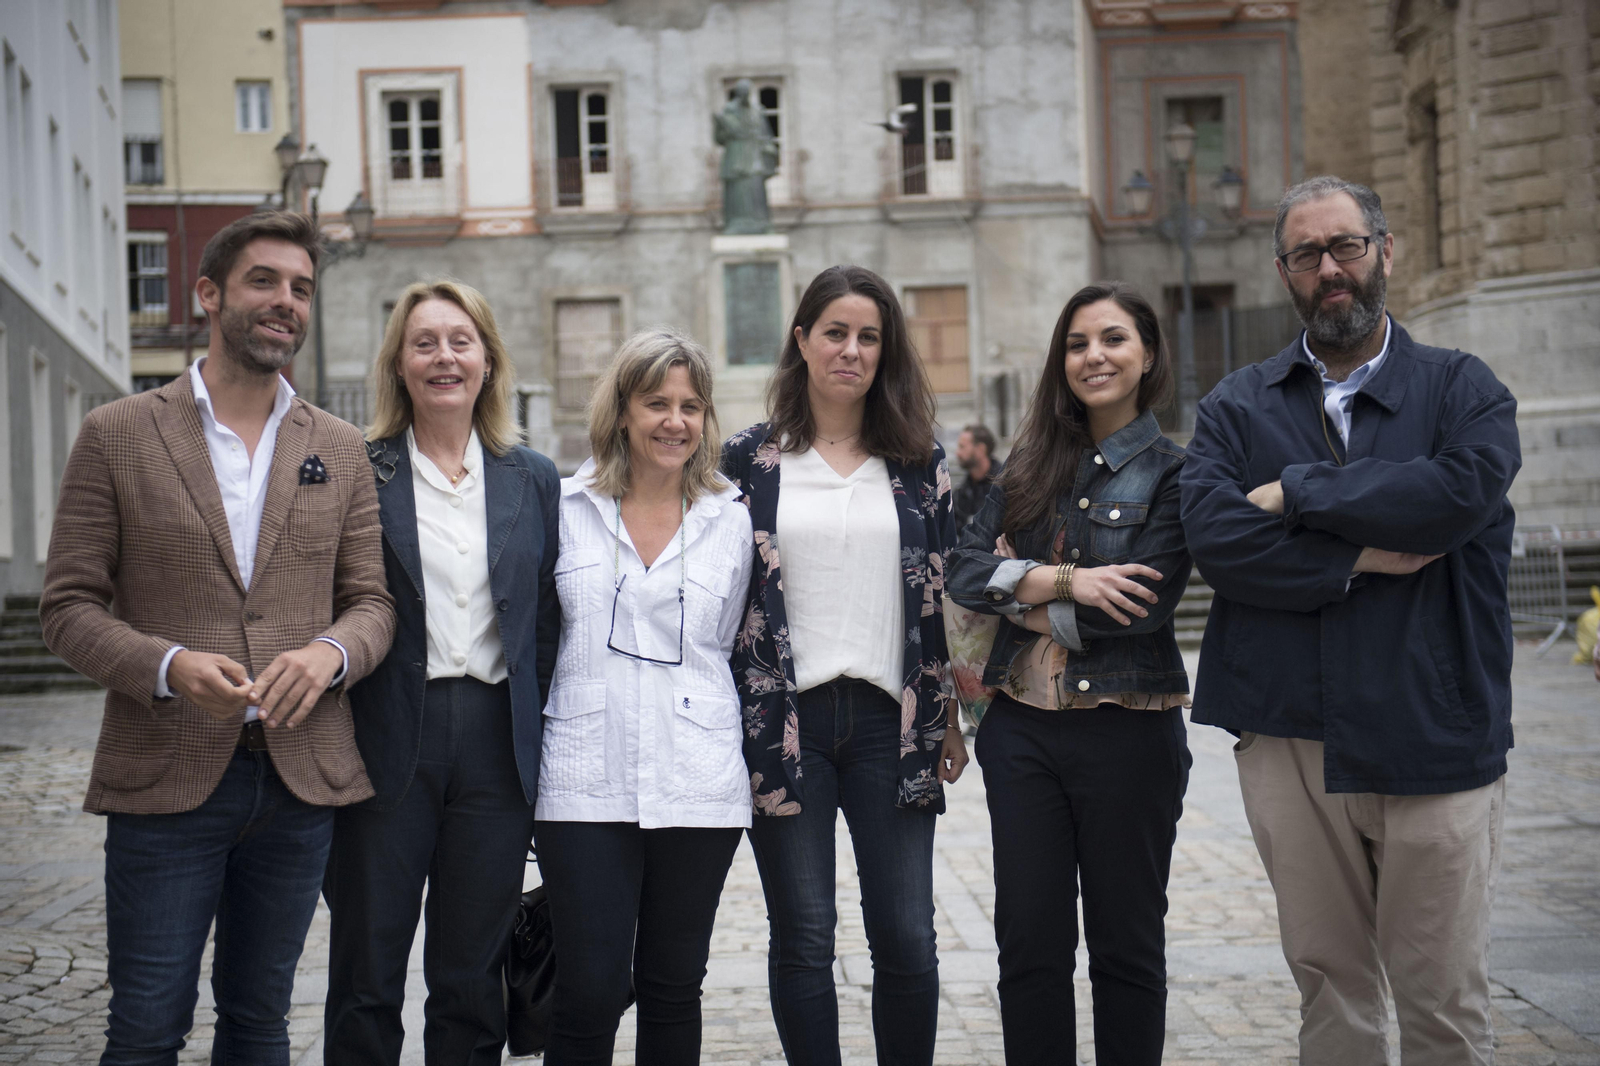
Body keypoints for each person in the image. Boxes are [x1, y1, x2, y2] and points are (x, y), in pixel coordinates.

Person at [38, 211, 396, 1065]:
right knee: (145, 1030)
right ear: (208, 294)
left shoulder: (340, 447)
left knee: (260, 1024)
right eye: (263, 281)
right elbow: (68, 607)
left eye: (301, 288)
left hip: (299, 783)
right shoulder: (117, 433)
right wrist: (166, 665)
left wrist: (330, 653)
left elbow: (371, 604)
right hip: (165, 776)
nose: (286, 302)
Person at [1180, 176, 1521, 1066]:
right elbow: (1216, 539)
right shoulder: (1236, 406)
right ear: (1283, 271)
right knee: (1331, 994)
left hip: (1435, 733)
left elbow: (1456, 496)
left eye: (1346, 246)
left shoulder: (1463, 390)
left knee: (1443, 1004)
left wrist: (1298, 491)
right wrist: (1360, 554)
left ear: (1384, 251)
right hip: (1291, 735)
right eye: (1307, 254)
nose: (1329, 269)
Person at [721, 264, 968, 1066]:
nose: (851, 350)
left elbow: (942, 593)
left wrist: (953, 716)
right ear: (802, 340)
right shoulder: (748, 460)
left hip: (891, 720)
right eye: (835, 333)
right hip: (781, 721)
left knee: (907, 934)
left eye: (868, 336)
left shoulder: (918, 460)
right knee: (804, 934)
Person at [948, 282, 1193, 1066]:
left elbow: (1135, 611)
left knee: (1127, 949)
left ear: (1147, 354)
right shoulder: (1029, 467)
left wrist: (1021, 601)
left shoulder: (1174, 473)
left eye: (1114, 339)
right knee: (1029, 948)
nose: (1094, 357)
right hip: (1022, 735)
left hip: (1130, 732)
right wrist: (1068, 582)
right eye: (1078, 343)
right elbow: (961, 569)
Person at [321, 281, 561, 1063]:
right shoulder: (360, 470)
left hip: (496, 750)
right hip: (387, 737)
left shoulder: (532, 477)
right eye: (423, 343)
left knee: (471, 978)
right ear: (398, 364)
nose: (444, 357)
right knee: (367, 971)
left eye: (461, 341)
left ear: (488, 360)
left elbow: (546, 624)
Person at [535, 328, 753, 1066]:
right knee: (588, 990)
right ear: (622, 410)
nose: (675, 421)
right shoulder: (565, 508)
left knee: (672, 987)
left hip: (697, 780)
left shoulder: (730, 518)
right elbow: (544, 636)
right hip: (581, 779)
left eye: (691, 406)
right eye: (657, 402)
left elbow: (725, 642)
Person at [952, 423, 1003, 529]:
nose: (957, 453)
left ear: (981, 449)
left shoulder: (1005, 486)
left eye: (962, 447)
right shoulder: (961, 492)